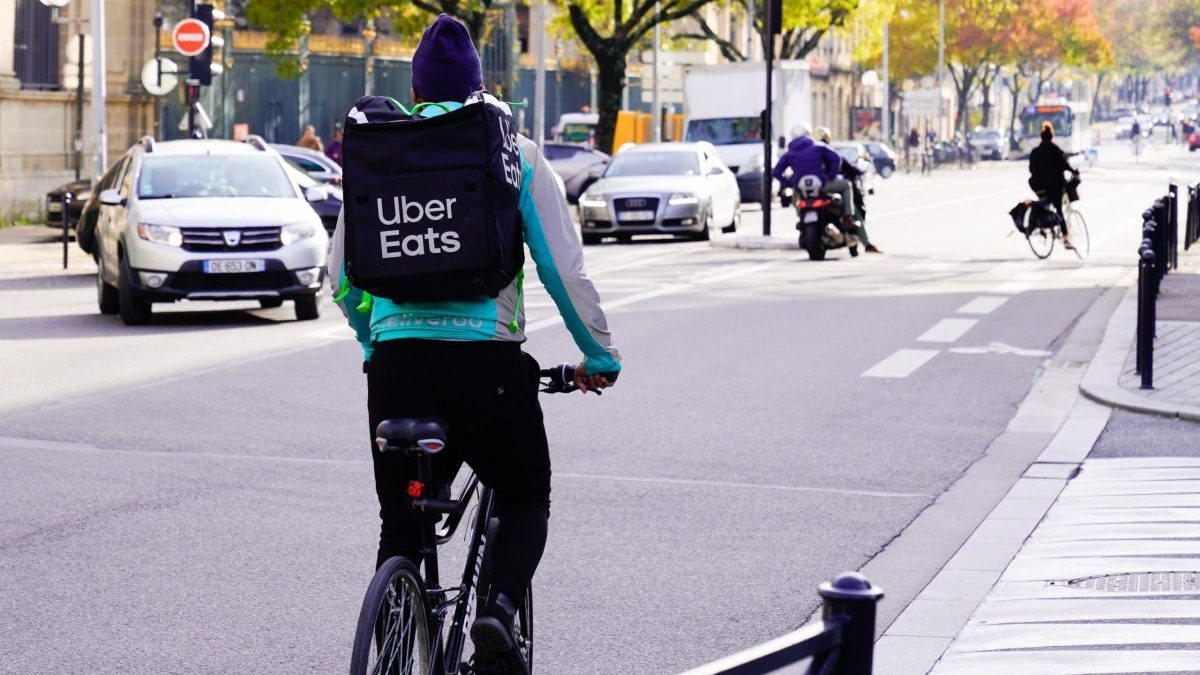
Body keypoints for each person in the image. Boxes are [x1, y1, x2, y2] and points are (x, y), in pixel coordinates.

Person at [328, 14, 620, 672]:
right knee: (523, 494)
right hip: (486, 369)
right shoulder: (510, 150)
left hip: (397, 371)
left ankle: (398, 647)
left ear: (416, 87)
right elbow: (563, 271)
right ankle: (498, 611)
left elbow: (340, 278)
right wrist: (600, 355)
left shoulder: (383, 152)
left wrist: (375, 346)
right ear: (480, 84)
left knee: (400, 523)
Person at [813, 126, 882, 253]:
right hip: (826, 189)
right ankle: (853, 225)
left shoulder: (809, 154)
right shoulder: (831, 153)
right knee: (853, 208)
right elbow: (854, 170)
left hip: (812, 190)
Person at [771, 124, 854, 228]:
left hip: (801, 188)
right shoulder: (819, 147)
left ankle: (801, 218)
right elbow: (836, 158)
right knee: (846, 185)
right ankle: (847, 217)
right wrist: (830, 176)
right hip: (821, 184)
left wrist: (790, 183)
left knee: (795, 199)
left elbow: (776, 172)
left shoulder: (789, 154)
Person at [1028, 121, 1075, 248]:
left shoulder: (1035, 152)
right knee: (1059, 210)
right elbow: (1065, 165)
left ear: (1041, 137)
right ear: (1051, 136)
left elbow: (1031, 169)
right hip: (1055, 186)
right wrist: (1073, 171)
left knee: (1044, 204)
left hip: (1039, 187)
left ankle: (1043, 226)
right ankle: (1066, 238)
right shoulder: (1055, 150)